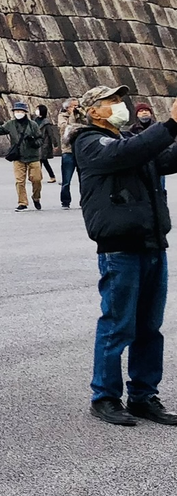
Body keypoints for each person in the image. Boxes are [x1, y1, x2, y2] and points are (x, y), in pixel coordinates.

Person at [71, 84, 177, 427]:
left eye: (121, 99)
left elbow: (164, 158)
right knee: (118, 325)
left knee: (150, 326)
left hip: (151, 242)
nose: (121, 105)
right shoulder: (89, 142)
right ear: (94, 111)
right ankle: (105, 397)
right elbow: (124, 154)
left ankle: (144, 395)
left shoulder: (127, 140)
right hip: (120, 248)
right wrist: (171, 124)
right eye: (112, 101)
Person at [0, 100, 44, 211]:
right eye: (16, 111)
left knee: (36, 179)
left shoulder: (33, 125)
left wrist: (33, 142)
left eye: (20, 111)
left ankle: (36, 197)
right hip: (18, 157)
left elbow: (40, 139)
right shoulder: (11, 124)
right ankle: (22, 202)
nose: (18, 113)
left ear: (25, 112)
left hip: (33, 157)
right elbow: (0, 129)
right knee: (19, 181)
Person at [58, 98, 79, 209]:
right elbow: (65, 128)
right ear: (67, 107)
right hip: (68, 151)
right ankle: (65, 201)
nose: (76, 108)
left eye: (77, 105)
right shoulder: (62, 116)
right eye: (74, 106)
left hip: (80, 150)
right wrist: (72, 116)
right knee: (66, 179)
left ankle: (84, 200)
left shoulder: (81, 116)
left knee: (84, 178)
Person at [35, 105, 61, 183]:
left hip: (44, 144)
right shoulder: (35, 120)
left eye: (37, 109)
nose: (36, 111)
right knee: (42, 161)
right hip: (37, 143)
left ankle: (40, 177)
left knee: (42, 160)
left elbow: (51, 134)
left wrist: (55, 144)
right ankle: (43, 176)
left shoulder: (46, 123)